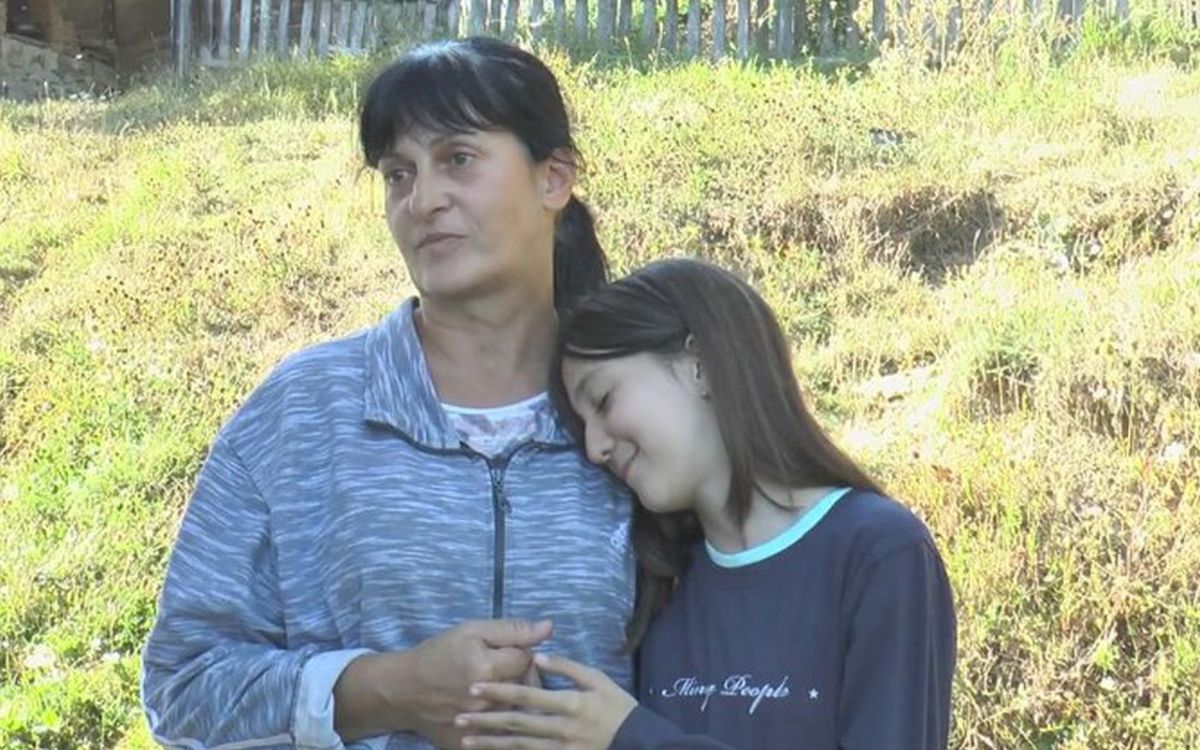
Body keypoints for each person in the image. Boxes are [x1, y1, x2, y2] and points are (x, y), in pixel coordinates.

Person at [140, 37, 636, 750]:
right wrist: (385, 690)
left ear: (553, 179)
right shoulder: (303, 411)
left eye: (457, 159)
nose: (423, 200)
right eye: (398, 174)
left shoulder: (639, 407)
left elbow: (728, 665)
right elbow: (184, 689)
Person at [454, 258, 957, 749]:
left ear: (701, 366)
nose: (594, 447)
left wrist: (631, 738)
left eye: (603, 401)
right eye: (582, 425)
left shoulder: (879, 553)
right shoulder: (661, 585)